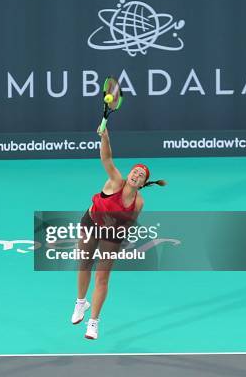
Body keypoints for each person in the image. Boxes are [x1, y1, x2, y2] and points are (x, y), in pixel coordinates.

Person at [71, 127, 166, 340]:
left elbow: (128, 226)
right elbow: (107, 158)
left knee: (102, 278)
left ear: (142, 184)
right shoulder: (116, 181)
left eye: (141, 175)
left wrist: (115, 230)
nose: (136, 175)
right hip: (91, 222)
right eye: (135, 171)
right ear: (130, 174)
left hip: (111, 234)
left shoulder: (138, 202)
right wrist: (105, 136)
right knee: (84, 264)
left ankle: (93, 322)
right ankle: (80, 303)